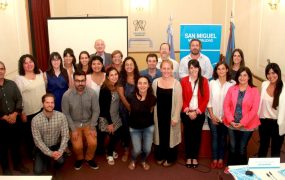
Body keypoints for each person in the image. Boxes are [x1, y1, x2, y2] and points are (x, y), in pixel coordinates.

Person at [223, 67, 260, 173]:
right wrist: (231, 120)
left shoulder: (254, 90)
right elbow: (226, 105)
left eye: (245, 75)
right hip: (232, 123)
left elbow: (254, 109)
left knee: (242, 147)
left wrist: (243, 123)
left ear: (249, 77)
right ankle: (230, 166)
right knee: (233, 146)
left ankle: (242, 168)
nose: (242, 77)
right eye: (240, 75)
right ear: (237, 77)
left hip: (248, 124)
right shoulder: (232, 89)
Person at [62, 71, 100, 170]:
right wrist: (73, 129)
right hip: (75, 124)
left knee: (93, 143)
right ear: (74, 81)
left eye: (82, 81)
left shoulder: (92, 93)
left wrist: (92, 127)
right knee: (77, 146)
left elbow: (96, 111)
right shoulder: (66, 95)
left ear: (85, 81)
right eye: (78, 81)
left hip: (89, 123)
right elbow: (66, 113)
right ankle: (79, 158)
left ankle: (88, 158)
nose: (80, 83)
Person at [0, 61, 29, 175]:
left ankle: (17, 165)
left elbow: (19, 99)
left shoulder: (12, 84)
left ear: (5, 70)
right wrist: (4, 117)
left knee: (15, 144)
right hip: (1, 122)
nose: (0, 71)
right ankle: (6, 168)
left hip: (14, 119)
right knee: (2, 147)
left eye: (2, 68)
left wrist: (15, 113)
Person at [15, 54, 46, 159]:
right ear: (22, 65)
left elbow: (44, 88)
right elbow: (18, 97)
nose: (29, 64)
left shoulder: (40, 73)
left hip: (42, 109)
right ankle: (33, 155)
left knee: (42, 132)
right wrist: (22, 112)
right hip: (29, 112)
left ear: (34, 62)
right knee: (31, 135)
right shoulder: (19, 79)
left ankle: (43, 151)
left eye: (30, 61)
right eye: (25, 63)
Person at [152, 60, 182, 167]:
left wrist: (175, 118)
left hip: (171, 116)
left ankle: (170, 158)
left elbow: (179, 102)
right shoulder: (155, 82)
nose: (166, 71)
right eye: (164, 68)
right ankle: (160, 156)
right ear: (160, 69)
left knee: (170, 137)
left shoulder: (176, 83)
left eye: (168, 68)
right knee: (159, 136)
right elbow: (152, 100)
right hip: (158, 115)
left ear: (172, 69)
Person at [181, 60, 209, 168]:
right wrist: (188, 110)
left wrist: (197, 111)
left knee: (197, 135)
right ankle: (188, 157)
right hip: (186, 113)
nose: (193, 70)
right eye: (191, 68)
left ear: (199, 68)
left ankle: (195, 157)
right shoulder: (183, 81)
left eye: (195, 67)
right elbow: (181, 97)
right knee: (188, 135)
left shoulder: (204, 81)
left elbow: (206, 98)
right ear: (188, 69)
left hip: (199, 113)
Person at [31, 93, 69, 175]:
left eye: (52, 103)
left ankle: (55, 166)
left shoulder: (61, 116)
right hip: (42, 147)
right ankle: (45, 160)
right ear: (43, 103)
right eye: (47, 102)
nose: (50, 105)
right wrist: (50, 153)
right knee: (38, 171)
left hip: (56, 146)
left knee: (61, 161)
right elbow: (37, 141)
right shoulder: (35, 120)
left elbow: (65, 135)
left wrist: (60, 151)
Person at [207, 61, 235, 169]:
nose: (221, 71)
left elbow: (233, 103)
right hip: (212, 116)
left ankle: (221, 159)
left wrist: (226, 116)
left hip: (226, 117)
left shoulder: (232, 83)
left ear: (227, 70)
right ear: (216, 71)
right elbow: (209, 100)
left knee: (223, 138)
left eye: (223, 68)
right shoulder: (212, 83)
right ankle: (214, 158)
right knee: (214, 138)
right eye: (219, 69)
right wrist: (212, 115)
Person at [127, 76, 157, 170]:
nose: (142, 85)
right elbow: (129, 110)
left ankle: (143, 160)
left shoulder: (152, 98)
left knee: (147, 149)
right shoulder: (130, 96)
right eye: (140, 83)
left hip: (148, 127)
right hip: (134, 128)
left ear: (148, 85)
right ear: (137, 85)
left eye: (145, 83)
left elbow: (151, 111)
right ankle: (133, 159)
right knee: (137, 149)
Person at [258, 63, 285, 157]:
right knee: (263, 147)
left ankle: (273, 171)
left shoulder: (284, 88)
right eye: (268, 73)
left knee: (276, 151)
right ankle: (259, 170)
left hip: (277, 123)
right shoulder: (264, 84)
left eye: (273, 73)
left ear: (278, 73)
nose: (271, 76)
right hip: (264, 122)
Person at [117, 56, 140, 162]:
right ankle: (126, 150)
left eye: (131, 64)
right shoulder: (121, 78)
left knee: (136, 130)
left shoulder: (139, 77)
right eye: (127, 64)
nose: (129, 66)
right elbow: (121, 96)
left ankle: (136, 149)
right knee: (126, 130)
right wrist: (130, 109)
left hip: (137, 109)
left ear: (134, 66)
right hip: (125, 109)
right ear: (124, 66)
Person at [98, 67, 122, 165]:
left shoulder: (116, 86)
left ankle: (110, 150)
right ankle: (109, 155)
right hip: (107, 118)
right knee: (112, 136)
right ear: (107, 77)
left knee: (116, 135)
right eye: (111, 75)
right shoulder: (105, 88)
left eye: (116, 74)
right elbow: (104, 108)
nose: (114, 77)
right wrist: (110, 123)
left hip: (116, 116)